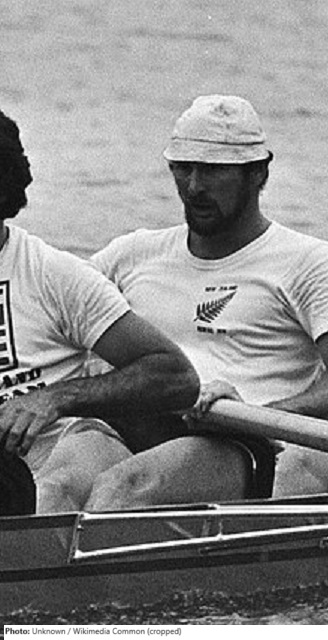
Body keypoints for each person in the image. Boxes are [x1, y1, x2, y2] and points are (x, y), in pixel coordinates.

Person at [85, 94, 328, 510]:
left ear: (258, 173)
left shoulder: (309, 262)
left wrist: (262, 414)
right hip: (134, 424)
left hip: (237, 440)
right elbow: (54, 323)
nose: (194, 187)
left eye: (212, 171)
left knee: (123, 488)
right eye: (183, 168)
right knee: (56, 485)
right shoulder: (131, 254)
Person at [0, 108, 200, 514]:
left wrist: (54, 398)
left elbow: (174, 375)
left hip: (57, 451)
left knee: (52, 492)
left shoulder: (54, 275)